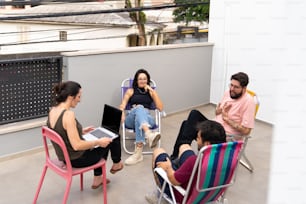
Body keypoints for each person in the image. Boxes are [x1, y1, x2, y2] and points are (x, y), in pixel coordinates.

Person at [47, 81, 123, 189]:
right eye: (78, 96)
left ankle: (98, 177)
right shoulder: (68, 115)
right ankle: (117, 164)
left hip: (66, 157)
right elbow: (77, 145)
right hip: (77, 159)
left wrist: (80, 131)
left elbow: (61, 130)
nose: (79, 100)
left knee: (103, 140)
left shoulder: (53, 110)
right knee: (112, 137)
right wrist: (98, 142)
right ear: (70, 97)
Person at [170, 72, 256, 160]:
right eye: (231, 85)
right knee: (190, 120)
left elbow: (246, 131)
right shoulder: (228, 93)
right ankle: (179, 154)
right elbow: (218, 114)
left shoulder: (249, 102)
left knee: (190, 121)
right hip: (214, 127)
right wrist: (218, 111)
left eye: (236, 87)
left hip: (225, 136)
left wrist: (227, 120)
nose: (232, 89)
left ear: (244, 88)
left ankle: (179, 154)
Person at [145, 120, 226, 204]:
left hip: (184, 195)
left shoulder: (195, 161)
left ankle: (160, 194)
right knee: (185, 147)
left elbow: (173, 180)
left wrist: (168, 167)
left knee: (158, 151)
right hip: (208, 195)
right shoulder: (226, 160)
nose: (196, 140)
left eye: (198, 138)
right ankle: (179, 168)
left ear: (207, 144)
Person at [119, 69, 163, 165]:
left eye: (145, 79)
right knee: (139, 108)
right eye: (140, 79)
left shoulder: (151, 92)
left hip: (147, 119)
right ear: (136, 80)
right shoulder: (131, 91)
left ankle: (138, 155)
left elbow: (160, 107)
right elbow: (122, 105)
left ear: (147, 81)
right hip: (131, 117)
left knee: (140, 115)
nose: (142, 81)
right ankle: (148, 134)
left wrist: (152, 90)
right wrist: (122, 113)